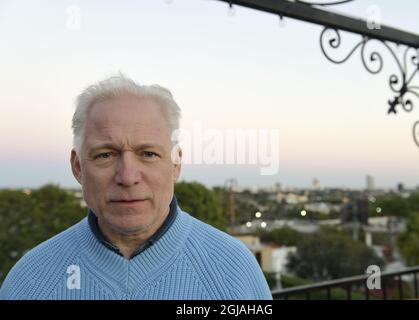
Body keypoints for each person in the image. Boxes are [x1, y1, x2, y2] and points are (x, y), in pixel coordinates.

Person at [0, 74, 272, 300]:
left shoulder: (234, 272)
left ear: (175, 163)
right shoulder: (29, 282)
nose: (128, 176)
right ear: (78, 167)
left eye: (148, 154)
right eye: (105, 154)